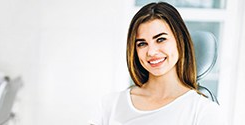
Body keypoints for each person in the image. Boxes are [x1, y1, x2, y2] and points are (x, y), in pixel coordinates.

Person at [89, 2, 224, 125]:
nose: (151, 52)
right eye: (142, 44)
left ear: (180, 40)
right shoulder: (109, 105)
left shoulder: (203, 111)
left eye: (160, 39)